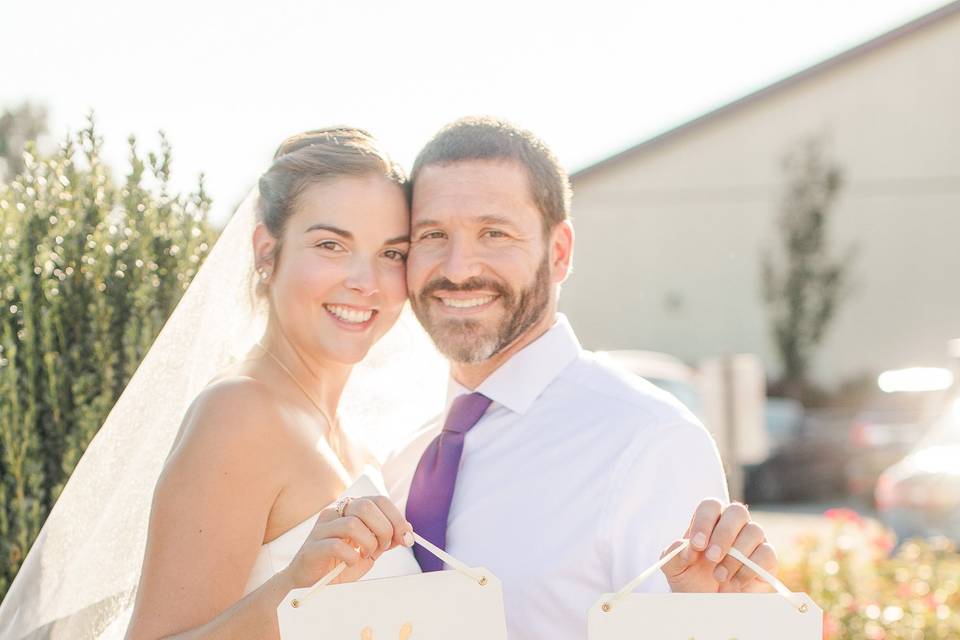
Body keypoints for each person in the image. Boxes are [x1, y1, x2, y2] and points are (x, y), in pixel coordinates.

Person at [0, 127, 446, 640]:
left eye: (391, 253)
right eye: (330, 244)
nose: (365, 281)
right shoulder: (239, 414)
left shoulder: (356, 437)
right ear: (265, 251)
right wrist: (294, 592)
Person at [384, 116, 779, 640]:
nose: (458, 268)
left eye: (494, 233)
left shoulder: (650, 442)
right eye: (433, 234)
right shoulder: (405, 454)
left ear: (560, 252)